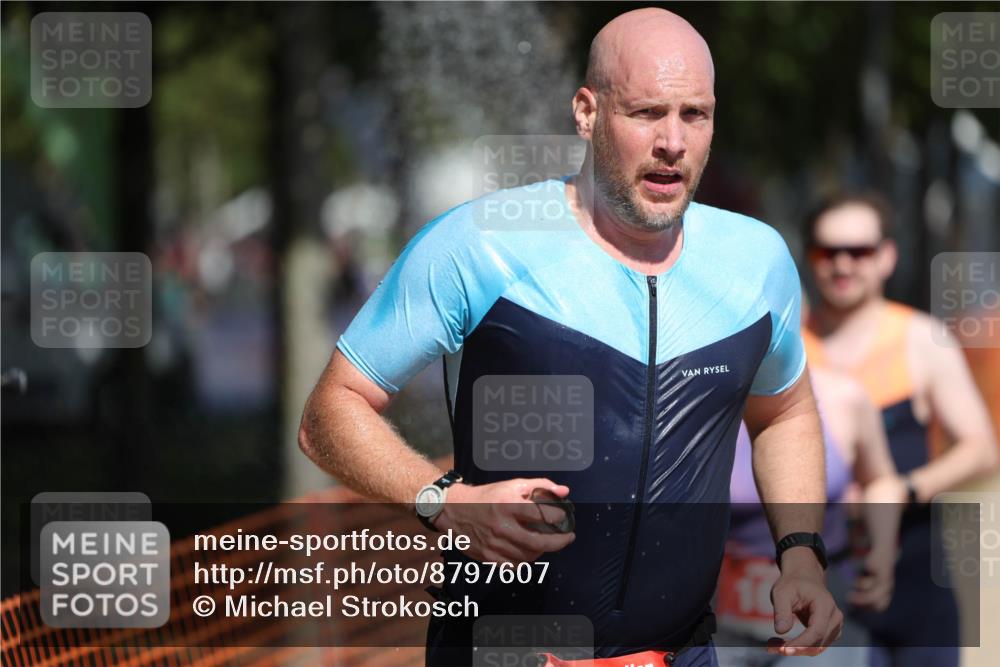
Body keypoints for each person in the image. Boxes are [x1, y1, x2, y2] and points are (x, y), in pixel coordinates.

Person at [300, 8, 843, 666]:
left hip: (681, 654)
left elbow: (785, 410)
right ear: (587, 112)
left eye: (693, 114)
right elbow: (330, 411)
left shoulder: (756, 261)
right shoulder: (484, 243)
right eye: (646, 113)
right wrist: (443, 500)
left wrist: (801, 553)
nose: (673, 140)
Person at [803, 193, 999, 667]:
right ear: (811, 258)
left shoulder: (920, 339)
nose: (844, 264)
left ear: (887, 257)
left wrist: (905, 490)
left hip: (914, 577)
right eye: (830, 252)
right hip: (820, 582)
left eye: (860, 251)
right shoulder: (790, 347)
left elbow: (981, 449)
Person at [715, 328, 906, 667]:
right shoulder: (700, 402)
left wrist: (882, 547)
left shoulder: (843, 396)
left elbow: (880, 480)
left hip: (817, 619)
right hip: (717, 621)